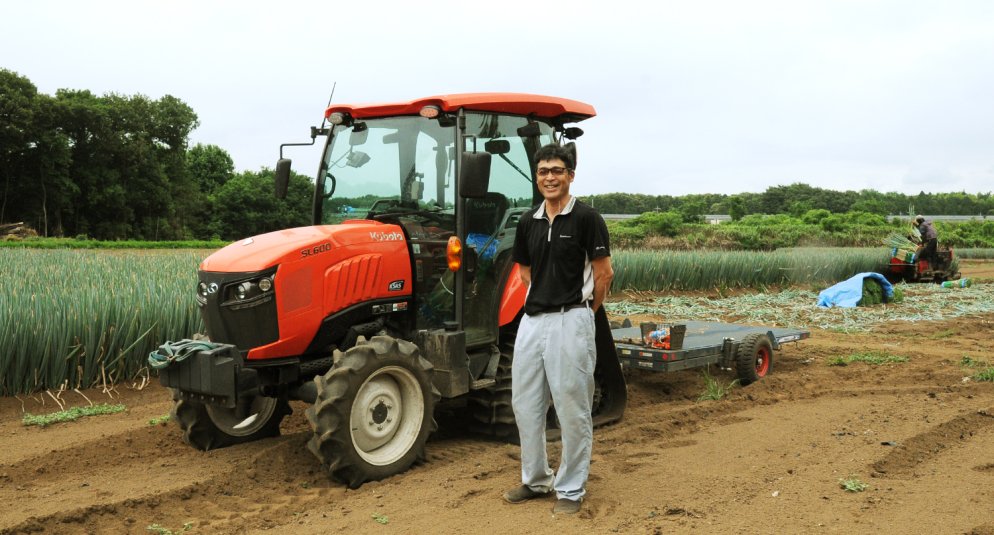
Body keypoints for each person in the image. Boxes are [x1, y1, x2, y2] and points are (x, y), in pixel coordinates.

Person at [502, 143, 613, 515]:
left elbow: (603, 273)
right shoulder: (527, 221)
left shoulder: (586, 218)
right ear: (537, 177)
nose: (549, 177)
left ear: (570, 175)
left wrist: (585, 312)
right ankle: (535, 480)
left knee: (571, 407)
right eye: (543, 171)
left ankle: (570, 490)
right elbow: (525, 272)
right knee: (526, 405)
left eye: (557, 171)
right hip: (532, 322)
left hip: (572, 318)